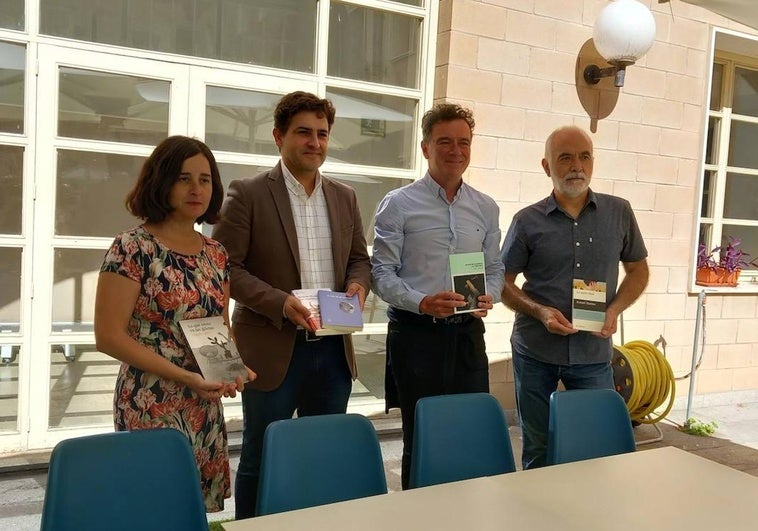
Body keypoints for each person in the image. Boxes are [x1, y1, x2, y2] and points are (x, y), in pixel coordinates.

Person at [211, 91, 371, 519]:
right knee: (261, 458)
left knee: (321, 456)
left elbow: (359, 259)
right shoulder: (247, 193)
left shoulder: (345, 196)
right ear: (278, 136)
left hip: (333, 350)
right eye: (303, 132)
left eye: (322, 134)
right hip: (272, 350)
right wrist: (280, 302)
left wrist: (358, 287)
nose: (314, 142)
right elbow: (226, 268)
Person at [94, 135, 256, 512]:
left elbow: (219, 324)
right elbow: (108, 336)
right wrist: (187, 378)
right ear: (161, 181)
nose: (196, 189)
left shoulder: (216, 253)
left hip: (204, 400)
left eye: (205, 179)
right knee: (151, 507)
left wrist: (233, 366)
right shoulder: (132, 247)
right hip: (152, 401)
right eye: (183, 178)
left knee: (190, 509)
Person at [371, 103, 505, 489]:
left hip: (466, 336)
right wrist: (422, 301)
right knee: (422, 436)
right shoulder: (398, 204)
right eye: (444, 141)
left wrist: (489, 295)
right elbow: (381, 273)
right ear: (425, 146)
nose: (455, 150)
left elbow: (494, 269)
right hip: (416, 336)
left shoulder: (485, 207)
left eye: (464, 142)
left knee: (469, 430)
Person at [500, 125, 649, 470]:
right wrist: (539, 312)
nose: (576, 166)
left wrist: (614, 310)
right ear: (546, 165)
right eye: (565, 157)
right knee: (537, 445)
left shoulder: (619, 212)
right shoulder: (527, 221)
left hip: (593, 353)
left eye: (584, 156)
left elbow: (638, 271)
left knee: (594, 445)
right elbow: (502, 281)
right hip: (536, 349)